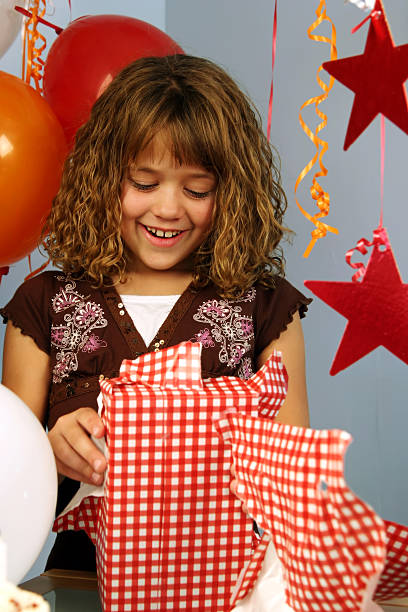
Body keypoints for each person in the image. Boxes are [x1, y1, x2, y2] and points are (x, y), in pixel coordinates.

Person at [1, 54, 310, 572]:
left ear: (230, 192)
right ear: (102, 178)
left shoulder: (265, 306)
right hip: (80, 583)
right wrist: (49, 456)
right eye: (144, 183)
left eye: (197, 190)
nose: (168, 209)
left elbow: (294, 490)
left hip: (230, 588)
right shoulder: (43, 306)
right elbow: (4, 490)